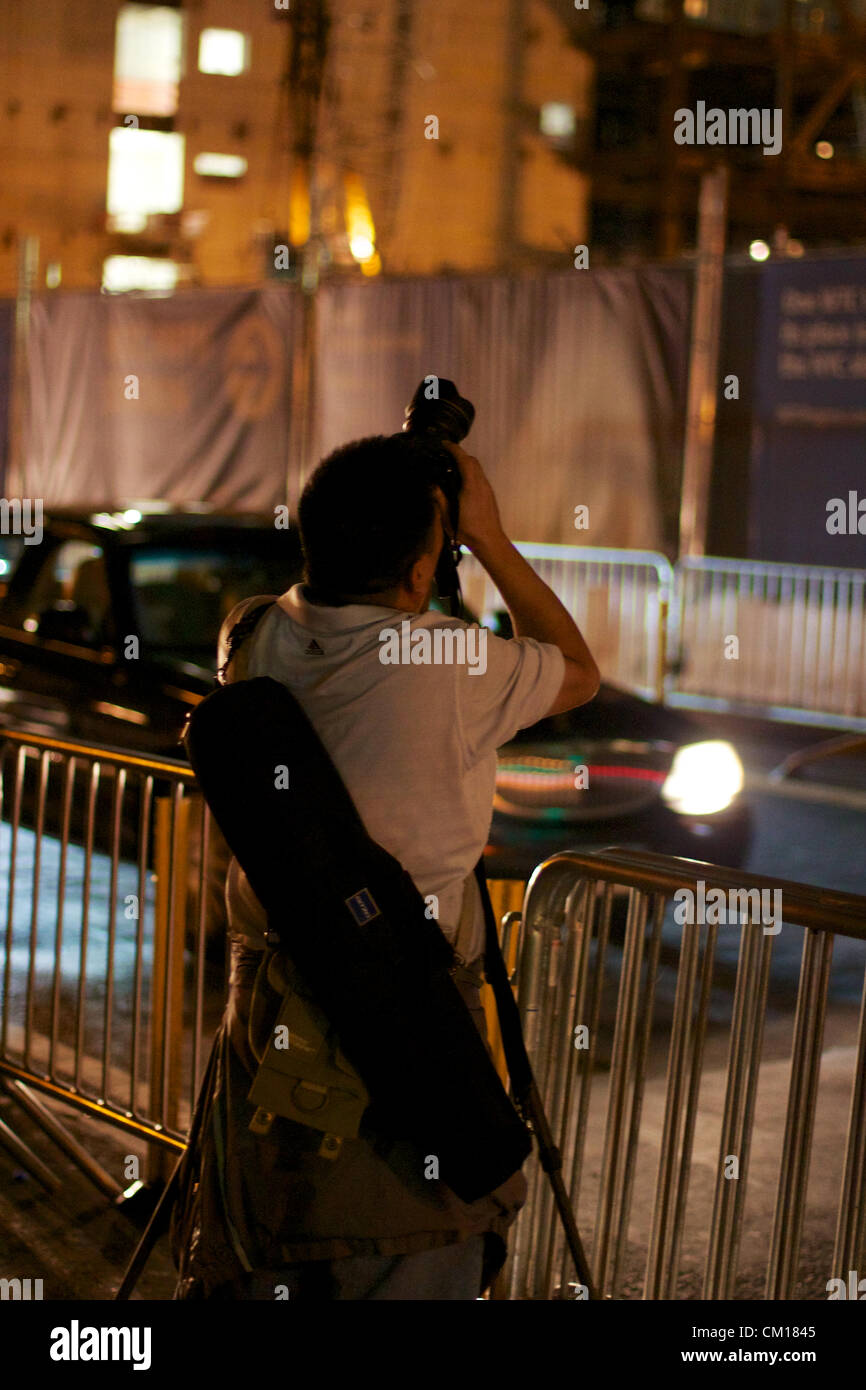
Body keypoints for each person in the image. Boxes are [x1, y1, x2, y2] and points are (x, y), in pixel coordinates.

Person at [171, 432, 599, 1301]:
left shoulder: (249, 635)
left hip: (266, 1006)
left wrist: (410, 507)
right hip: (401, 1004)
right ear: (418, 573)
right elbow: (580, 671)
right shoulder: (448, 662)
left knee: (267, 1242)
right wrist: (488, 538)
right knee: (402, 1240)